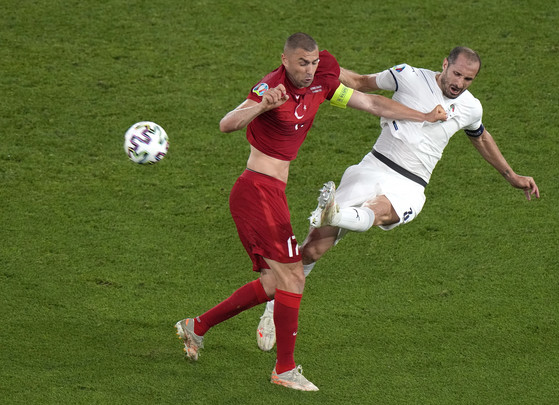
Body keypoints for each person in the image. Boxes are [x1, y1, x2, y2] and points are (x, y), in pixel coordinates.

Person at [174, 32, 447, 392]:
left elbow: (373, 104)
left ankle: (197, 326)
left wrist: (424, 116)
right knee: (295, 278)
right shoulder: (270, 88)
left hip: (274, 193)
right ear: (284, 60)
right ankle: (284, 369)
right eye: (302, 63)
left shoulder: (320, 83)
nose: (310, 69)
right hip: (255, 190)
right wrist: (262, 105)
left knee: (276, 282)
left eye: (314, 61)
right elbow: (228, 124)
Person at [255, 46, 540, 353]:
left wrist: (511, 176)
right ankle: (273, 307)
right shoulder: (408, 76)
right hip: (373, 166)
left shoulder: (471, 107)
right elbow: (362, 82)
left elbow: (481, 137)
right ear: (444, 64)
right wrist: (317, 69)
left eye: (468, 78)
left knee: (378, 212)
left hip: (410, 184)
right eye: (456, 74)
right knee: (311, 251)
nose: (460, 83)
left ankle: (333, 213)